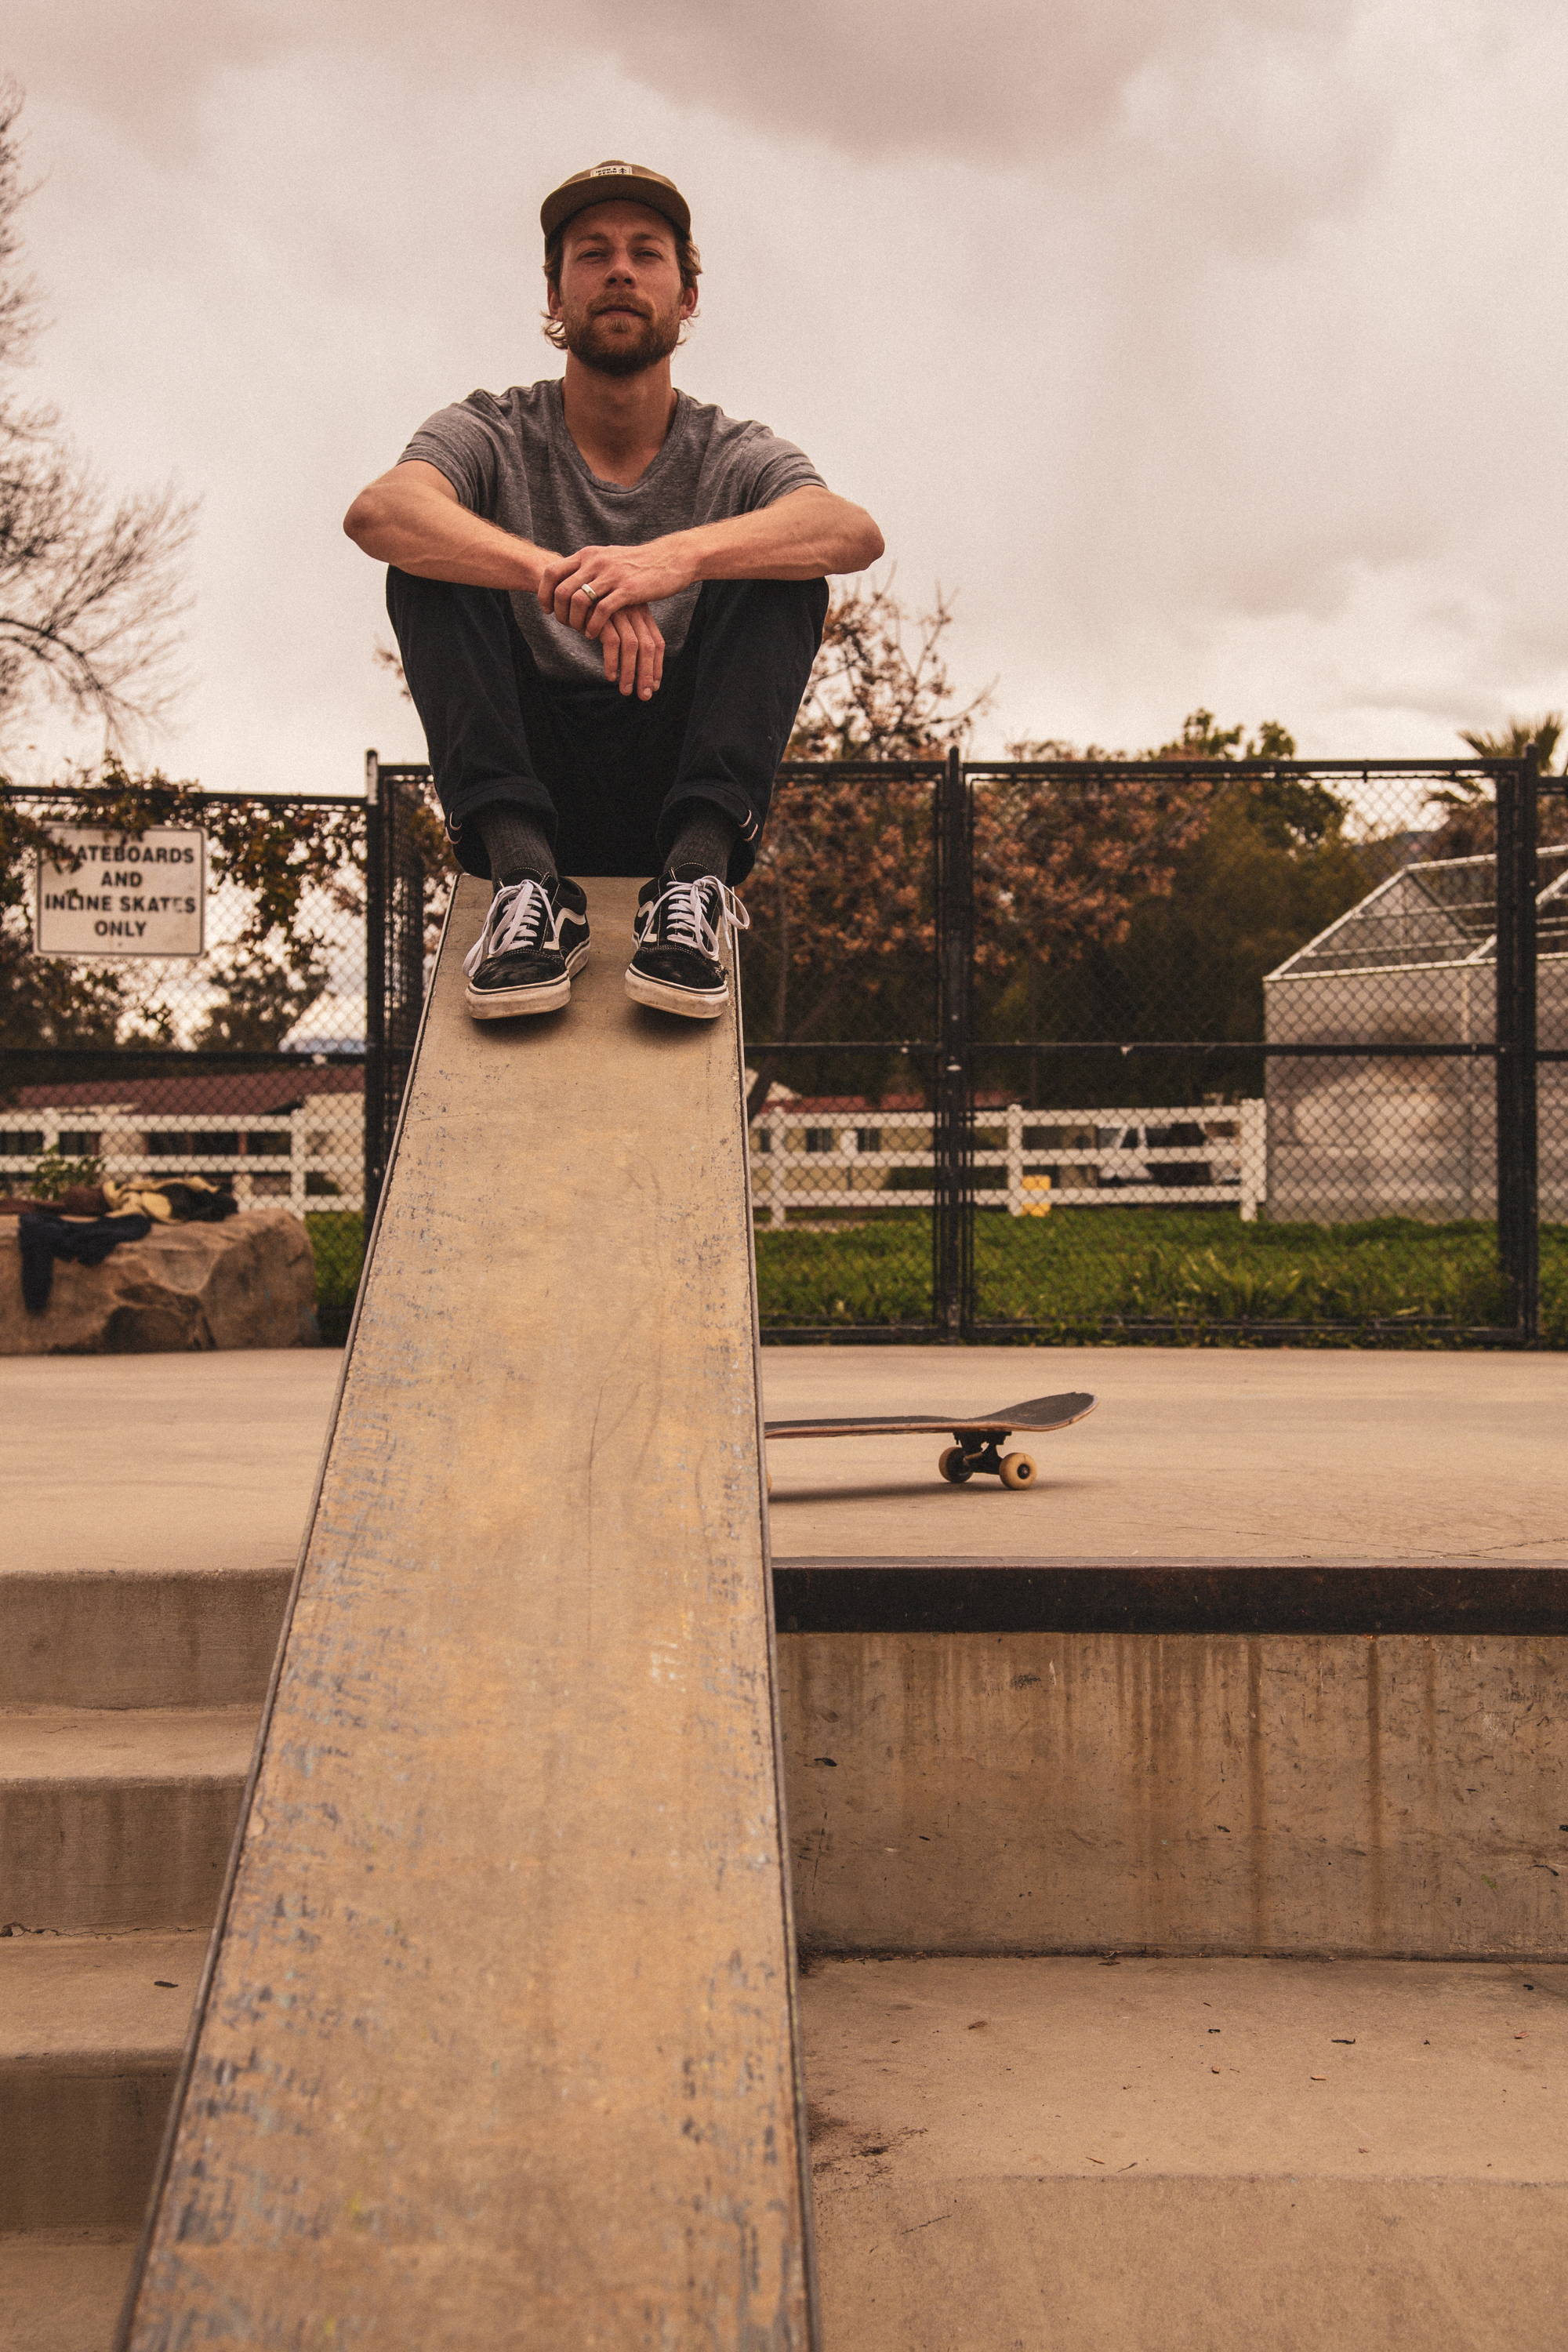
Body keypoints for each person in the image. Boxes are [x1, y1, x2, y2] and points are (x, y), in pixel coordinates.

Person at [344, 159, 884, 1022]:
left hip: (676, 776)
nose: (621, 271)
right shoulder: (492, 427)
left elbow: (850, 531)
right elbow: (381, 511)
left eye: (647, 254)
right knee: (425, 561)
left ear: (687, 295)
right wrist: (553, 576)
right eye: (592, 255)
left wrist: (673, 559)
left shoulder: (730, 449)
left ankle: (696, 886)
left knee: (783, 567)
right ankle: (527, 892)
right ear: (554, 298)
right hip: (531, 777)